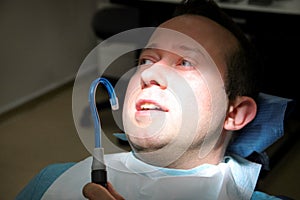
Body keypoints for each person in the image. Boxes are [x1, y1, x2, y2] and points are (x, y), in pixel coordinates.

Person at [16, 0, 293, 199]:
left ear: (235, 113)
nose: (151, 73)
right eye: (147, 59)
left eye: (185, 62)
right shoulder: (50, 183)